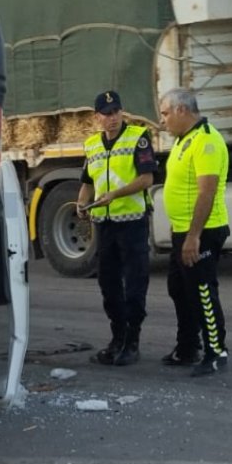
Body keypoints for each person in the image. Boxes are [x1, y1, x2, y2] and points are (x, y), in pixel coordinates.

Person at [77, 90, 156, 366]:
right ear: (96, 117)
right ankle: (117, 338)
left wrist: (116, 195)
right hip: (105, 225)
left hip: (132, 223)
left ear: (122, 112)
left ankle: (132, 343)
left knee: (135, 286)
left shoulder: (138, 137)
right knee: (108, 285)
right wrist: (81, 202)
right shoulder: (92, 145)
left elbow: (146, 179)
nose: (113, 119)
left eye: (116, 112)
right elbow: (88, 179)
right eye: (107, 114)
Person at [159, 88, 231, 377]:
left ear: (181, 110)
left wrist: (193, 236)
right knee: (179, 289)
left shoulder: (207, 141)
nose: (162, 120)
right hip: (183, 230)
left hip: (202, 231)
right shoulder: (183, 140)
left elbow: (207, 191)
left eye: (165, 113)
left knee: (202, 291)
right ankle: (188, 347)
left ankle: (216, 351)